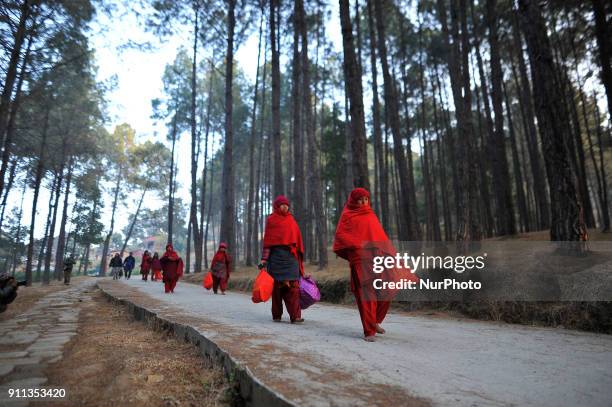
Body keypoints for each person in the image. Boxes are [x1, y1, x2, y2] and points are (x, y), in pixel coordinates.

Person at [333, 188, 414, 342]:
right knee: (367, 294)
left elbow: (379, 236)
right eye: (360, 200)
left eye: (366, 199)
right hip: (361, 258)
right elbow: (341, 237)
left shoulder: (370, 214)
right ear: (353, 201)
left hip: (378, 257)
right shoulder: (347, 215)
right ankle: (369, 331)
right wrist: (358, 245)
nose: (363, 202)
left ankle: (375, 321)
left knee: (387, 288)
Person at [260, 195, 304, 324]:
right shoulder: (271, 220)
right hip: (276, 259)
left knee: (294, 288)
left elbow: (298, 241)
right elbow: (268, 243)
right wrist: (264, 260)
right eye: (282, 205)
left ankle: (295, 316)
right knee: (277, 289)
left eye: (287, 205)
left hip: (291, 259)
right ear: (277, 206)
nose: (285, 207)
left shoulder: (291, 220)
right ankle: (277, 315)